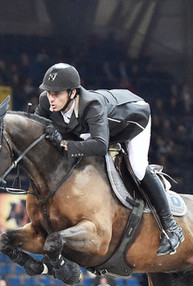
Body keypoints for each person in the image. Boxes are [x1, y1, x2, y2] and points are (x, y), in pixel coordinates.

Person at [35, 63, 184, 255]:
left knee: (137, 168)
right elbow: (37, 128)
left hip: (133, 120)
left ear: (72, 93)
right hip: (97, 127)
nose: (51, 98)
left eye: (56, 94)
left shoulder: (92, 106)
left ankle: (172, 227)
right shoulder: (46, 101)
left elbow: (100, 146)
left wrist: (64, 144)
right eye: (49, 93)